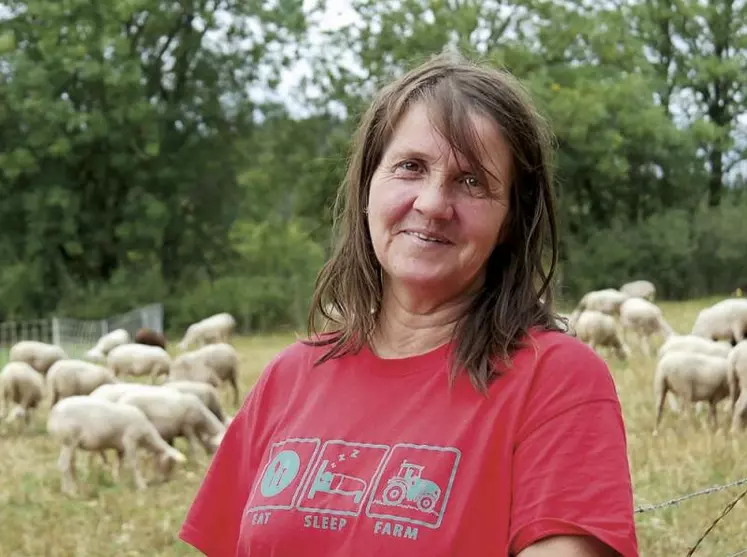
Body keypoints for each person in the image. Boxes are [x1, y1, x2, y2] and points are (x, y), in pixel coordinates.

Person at [178, 51, 639, 557]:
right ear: (368, 187)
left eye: (471, 182)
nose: (433, 204)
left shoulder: (556, 381)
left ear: (509, 218)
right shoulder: (288, 377)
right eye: (410, 167)